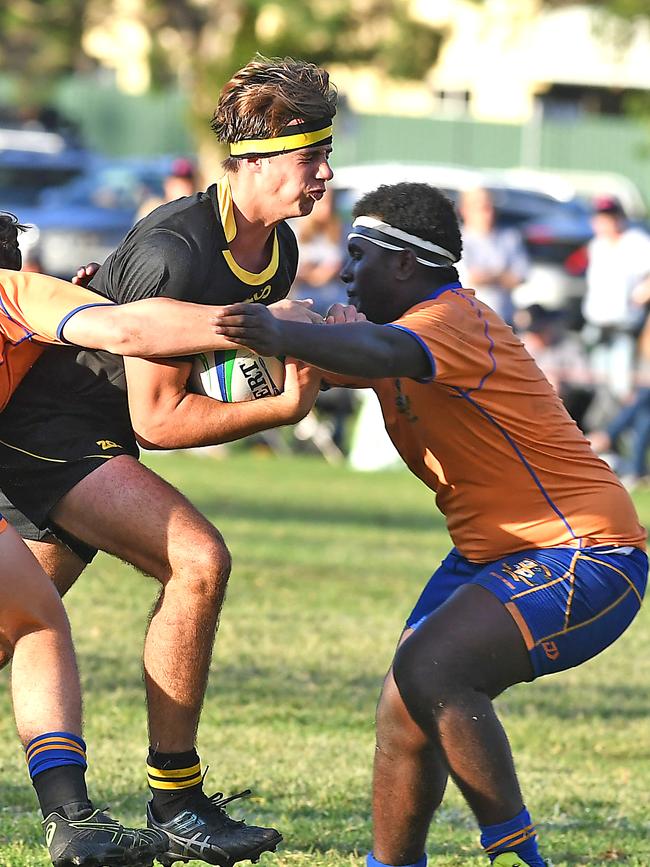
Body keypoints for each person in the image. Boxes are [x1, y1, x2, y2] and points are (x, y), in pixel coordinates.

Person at [212, 182, 648, 867]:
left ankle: (516, 856)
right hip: (493, 557)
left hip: (587, 553)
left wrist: (274, 331)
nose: (345, 271)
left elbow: (379, 353)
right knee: (405, 704)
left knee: (432, 666)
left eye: (358, 257)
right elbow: (323, 352)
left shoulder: (450, 322)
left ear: (405, 265)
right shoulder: (395, 336)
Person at [0, 55, 335, 867]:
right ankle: (178, 800)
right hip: (57, 429)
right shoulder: (176, 248)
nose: (323, 175)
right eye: (308, 158)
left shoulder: (277, 252)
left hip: (90, 438)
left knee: (14, 628)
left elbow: (205, 376)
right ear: (252, 163)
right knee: (198, 559)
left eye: (327, 155)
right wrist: (281, 408)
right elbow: (161, 416)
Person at [581, 195, 650, 401]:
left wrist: (642, 294)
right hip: (598, 324)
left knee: (622, 386)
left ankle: (621, 431)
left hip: (624, 326)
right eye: (601, 217)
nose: (605, 222)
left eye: (610, 217)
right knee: (598, 384)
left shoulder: (636, 242)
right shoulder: (597, 245)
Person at [458, 186, 529, 326]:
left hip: (503, 319)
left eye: (490, 208)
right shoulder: (457, 240)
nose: (488, 214)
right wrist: (502, 275)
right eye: (482, 208)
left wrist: (489, 276)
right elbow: (472, 278)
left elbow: (520, 277)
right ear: (465, 210)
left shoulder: (509, 237)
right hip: (468, 321)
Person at [136, 157, 198, 221]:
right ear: (167, 185)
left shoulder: (196, 210)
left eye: (188, 185)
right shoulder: (153, 209)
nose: (185, 189)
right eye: (178, 185)